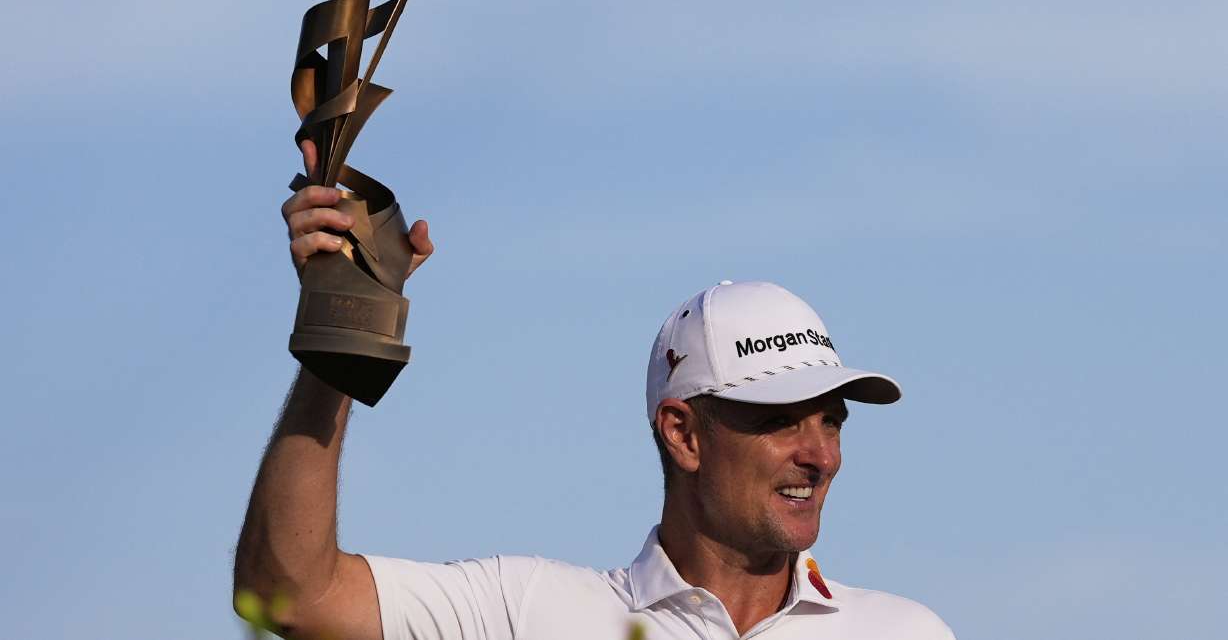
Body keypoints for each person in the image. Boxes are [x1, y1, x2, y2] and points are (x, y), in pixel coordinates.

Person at [233, 141, 956, 640]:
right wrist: (344, 333)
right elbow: (293, 595)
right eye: (780, 421)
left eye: (831, 422)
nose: (820, 456)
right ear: (682, 434)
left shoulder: (906, 632)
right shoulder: (532, 612)